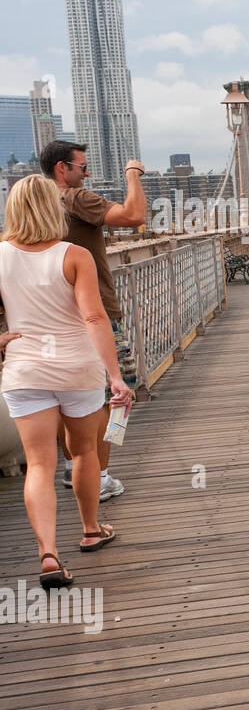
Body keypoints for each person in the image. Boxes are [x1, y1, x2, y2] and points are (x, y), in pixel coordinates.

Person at [0, 175, 133, 588]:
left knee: (38, 463)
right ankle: (91, 529)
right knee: (83, 453)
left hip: (25, 369)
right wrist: (116, 377)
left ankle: (48, 554)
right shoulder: (74, 255)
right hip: (77, 367)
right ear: (53, 208)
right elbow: (94, 318)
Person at [40, 140, 144, 501]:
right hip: (95, 312)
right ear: (61, 169)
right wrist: (133, 174)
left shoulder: (39, 204)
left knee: (69, 397)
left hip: (56, 316)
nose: (88, 173)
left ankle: (75, 469)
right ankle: (99, 477)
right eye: (83, 167)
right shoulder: (75, 198)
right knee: (113, 397)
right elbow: (134, 216)